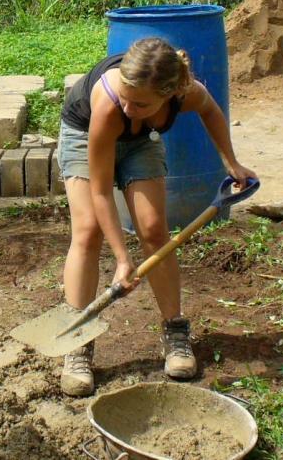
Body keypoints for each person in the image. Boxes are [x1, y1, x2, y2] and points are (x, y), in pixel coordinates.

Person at [56, 37, 257, 397]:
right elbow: (102, 191)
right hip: (84, 133)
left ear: (168, 94)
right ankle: (77, 340)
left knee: (153, 230)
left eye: (142, 103)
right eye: (128, 97)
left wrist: (231, 162)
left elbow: (211, 110)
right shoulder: (109, 102)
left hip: (141, 142)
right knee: (87, 232)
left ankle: (175, 332)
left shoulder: (185, 92)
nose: (131, 107)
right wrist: (122, 259)